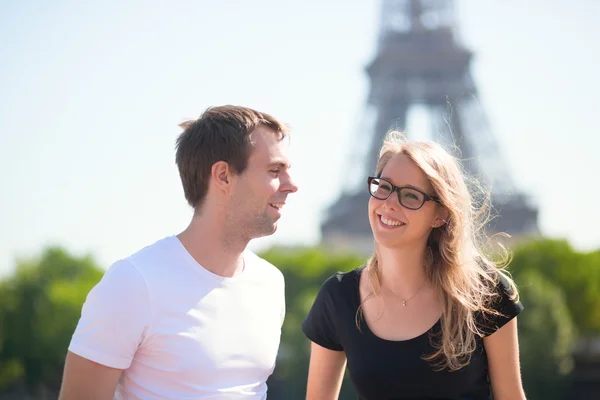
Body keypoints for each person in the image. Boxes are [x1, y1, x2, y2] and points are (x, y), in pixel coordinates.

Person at [58, 105, 298, 400]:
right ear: (223, 176)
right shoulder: (133, 283)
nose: (292, 185)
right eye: (275, 171)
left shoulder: (270, 282)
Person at [302, 130, 526, 400]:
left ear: (441, 215)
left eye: (410, 196)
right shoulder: (338, 297)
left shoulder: (485, 293)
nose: (389, 203)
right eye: (384, 187)